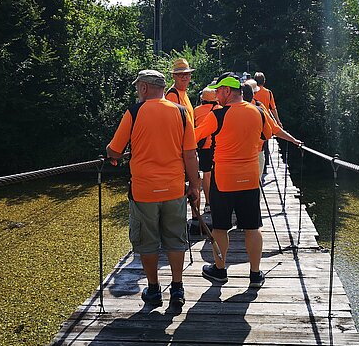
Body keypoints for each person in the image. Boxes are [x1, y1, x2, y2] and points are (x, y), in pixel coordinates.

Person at [106, 69, 200, 308]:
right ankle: (177, 288)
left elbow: (115, 150)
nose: (137, 92)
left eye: (138, 88)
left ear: (144, 88)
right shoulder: (181, 112)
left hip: (144, 191)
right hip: (174, 189)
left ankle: (154, 289)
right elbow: (190, 155)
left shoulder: (134, 112)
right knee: (176, 239)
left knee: (147, 242)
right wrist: (195, 186)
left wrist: (111, 154)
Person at [195, 72, 273, 288]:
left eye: (218, 91)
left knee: (220, 228)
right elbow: (267, 135)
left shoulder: (218, 115)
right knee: (252, 227)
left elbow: (195, 136)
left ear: (227, 91)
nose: (216, 95)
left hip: (224, 180)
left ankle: (220, 270)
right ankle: (255, 274)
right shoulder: (259, 111)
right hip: (250, 179)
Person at [242, 80, 302, 179]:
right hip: (255, 153)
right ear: (254, 93)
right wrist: (293, 140)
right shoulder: (259, 107)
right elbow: (275, 129)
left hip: (234, 155)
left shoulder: (229, 108)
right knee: (255, 183)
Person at [193, 87, 219, 216]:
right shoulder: (219, 109)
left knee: (206, 174)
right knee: (218, 174)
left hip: (203, 147)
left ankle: (208, 203)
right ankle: (218, 200)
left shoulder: (196, 110)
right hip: (217, 147)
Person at [253, 72, 282, 175]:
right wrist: (278, 121)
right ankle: (265, 166)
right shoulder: (268, 93)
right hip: (265, 120)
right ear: (264, 81)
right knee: (265, 142)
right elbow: (273, 108)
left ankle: (256, 163)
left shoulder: (253, 92)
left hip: (254, 119)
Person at [165, 57, 195, 126]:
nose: (184, 77)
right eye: (181, 74)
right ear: (173, 76)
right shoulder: (172, 94)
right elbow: (172, 123)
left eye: (187, 74)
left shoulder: (183, 92)